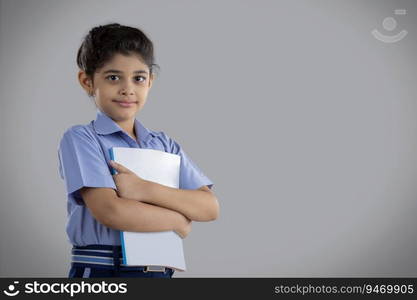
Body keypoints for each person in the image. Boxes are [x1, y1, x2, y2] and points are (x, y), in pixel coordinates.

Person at [58, 23, 219, 278]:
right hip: (105, 269)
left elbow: (209, 207)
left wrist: (143, 189)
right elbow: (112, 211)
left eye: (138, 78)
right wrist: (179, 219)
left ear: (150, 82)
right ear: (87, 81)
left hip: (159, 271)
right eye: (113, 77)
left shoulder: (164, 144)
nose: (128, 88)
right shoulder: (82, 138)